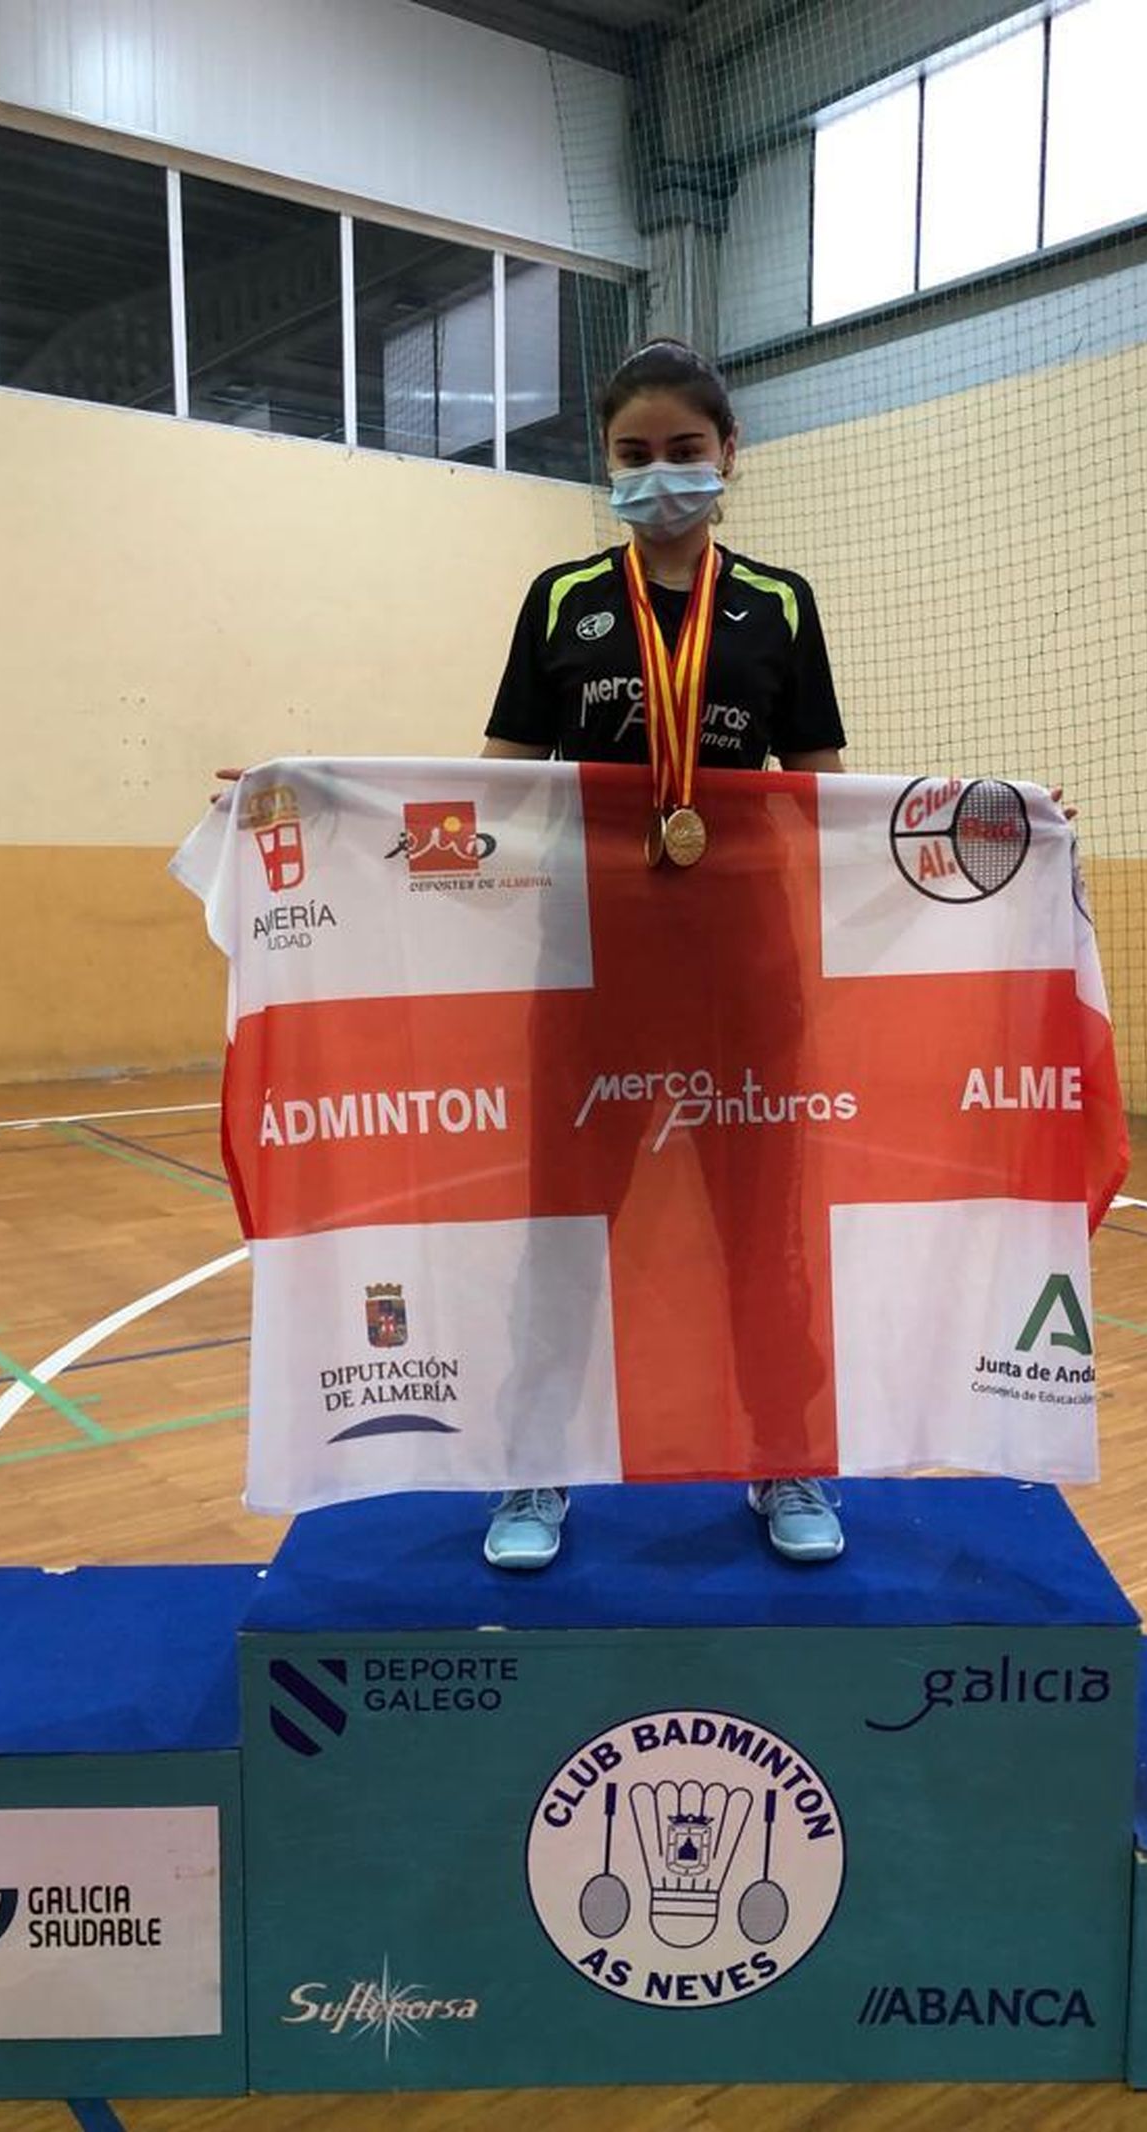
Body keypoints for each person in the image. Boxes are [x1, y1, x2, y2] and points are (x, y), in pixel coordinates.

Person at [479, 337, 849, 1573]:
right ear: (606, 465)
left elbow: (828, 801)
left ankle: (785, 1459)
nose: (660, 477)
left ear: (728, 454)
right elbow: (484, 789)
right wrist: (309, 801)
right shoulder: (559, 601)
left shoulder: (781, 605)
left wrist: (990, 822)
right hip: (589, 977)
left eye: (684, 452)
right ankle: (534, 1475)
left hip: (746, 978)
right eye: (633, 456)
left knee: (763, 1230)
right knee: (565, 1230)